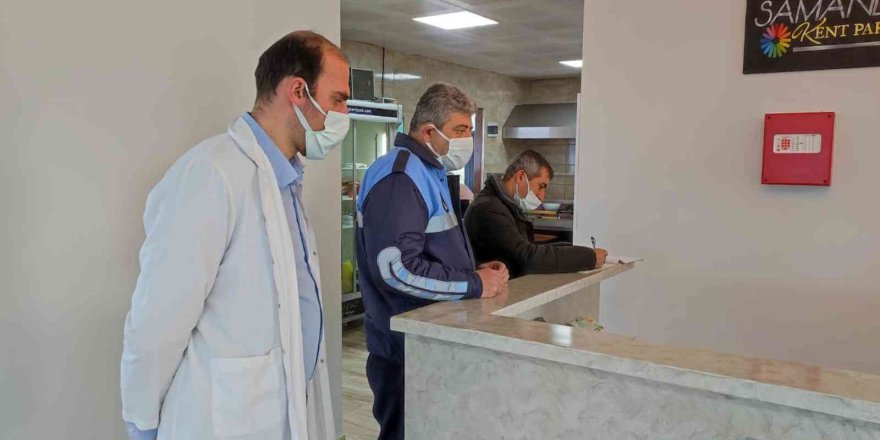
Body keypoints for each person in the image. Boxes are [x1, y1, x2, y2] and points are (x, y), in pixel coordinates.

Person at [120, 31, 349, 440]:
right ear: (298, 91)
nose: (343, 114)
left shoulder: (284, 181)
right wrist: (142, 423)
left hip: (281, 410)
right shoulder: (211, 174)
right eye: (338, 99)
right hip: (226, 419)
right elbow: (157, 320)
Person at [355, 82, 509, 440]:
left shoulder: (430, 171)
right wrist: (474, 284)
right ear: (428, 132)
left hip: (429, 339)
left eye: (469, 130)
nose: (467, 140)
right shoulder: (399, 177)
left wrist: (473, 271)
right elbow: (397, 269)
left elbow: (428, 248)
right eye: (460, 130)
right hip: (403, 347)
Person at [464, 150, 608, 279]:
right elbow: (527, 258)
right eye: (541, 186)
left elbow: (530, 248)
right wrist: (589, 257)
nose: (541, 196)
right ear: (521, 177)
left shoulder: (503, 205)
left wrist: (577, 250)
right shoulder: (488, 209)